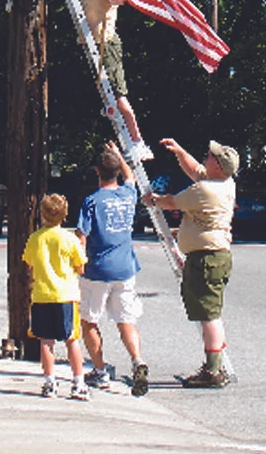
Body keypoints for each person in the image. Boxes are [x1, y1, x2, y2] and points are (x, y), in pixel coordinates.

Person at [143, 138, 239, 389]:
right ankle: (216, 365)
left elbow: (172, 202)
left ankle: (213, 371)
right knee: (211, 313)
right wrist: (180, 151)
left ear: (218, 165)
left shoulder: (204, 191)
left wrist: (152, 200)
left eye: (210, 155)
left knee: (209, 316)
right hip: (214, 256)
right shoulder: (226, 183)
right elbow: (197, 170)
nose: (205, 156)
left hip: (206, 259)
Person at [76, 140, 150, 397]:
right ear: (117, 170)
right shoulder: (128, 195)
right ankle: (138, 360)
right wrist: (120, 156)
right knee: (125, 319)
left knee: (89, 320)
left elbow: (82, 236)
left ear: (97, 171)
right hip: (125, 268)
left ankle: (99, 371)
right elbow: (130, 177)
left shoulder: (92, 201)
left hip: (97, 269)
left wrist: (77, 264)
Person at [74, 0, 152, 162]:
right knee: (108, 96)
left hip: (106, 42)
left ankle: (138, 142)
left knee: (119, 96)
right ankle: (127, 136)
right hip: (90, 43)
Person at [22, 193, 90, 401]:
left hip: (42, 294)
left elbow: (29, 263)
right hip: (65, 295)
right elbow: (80, 268)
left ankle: (49, 382)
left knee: (46, 341)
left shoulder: (35, 238)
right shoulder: (69, 239)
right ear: (65, 215)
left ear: (41, 214)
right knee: (72, 339)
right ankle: (78, 382)